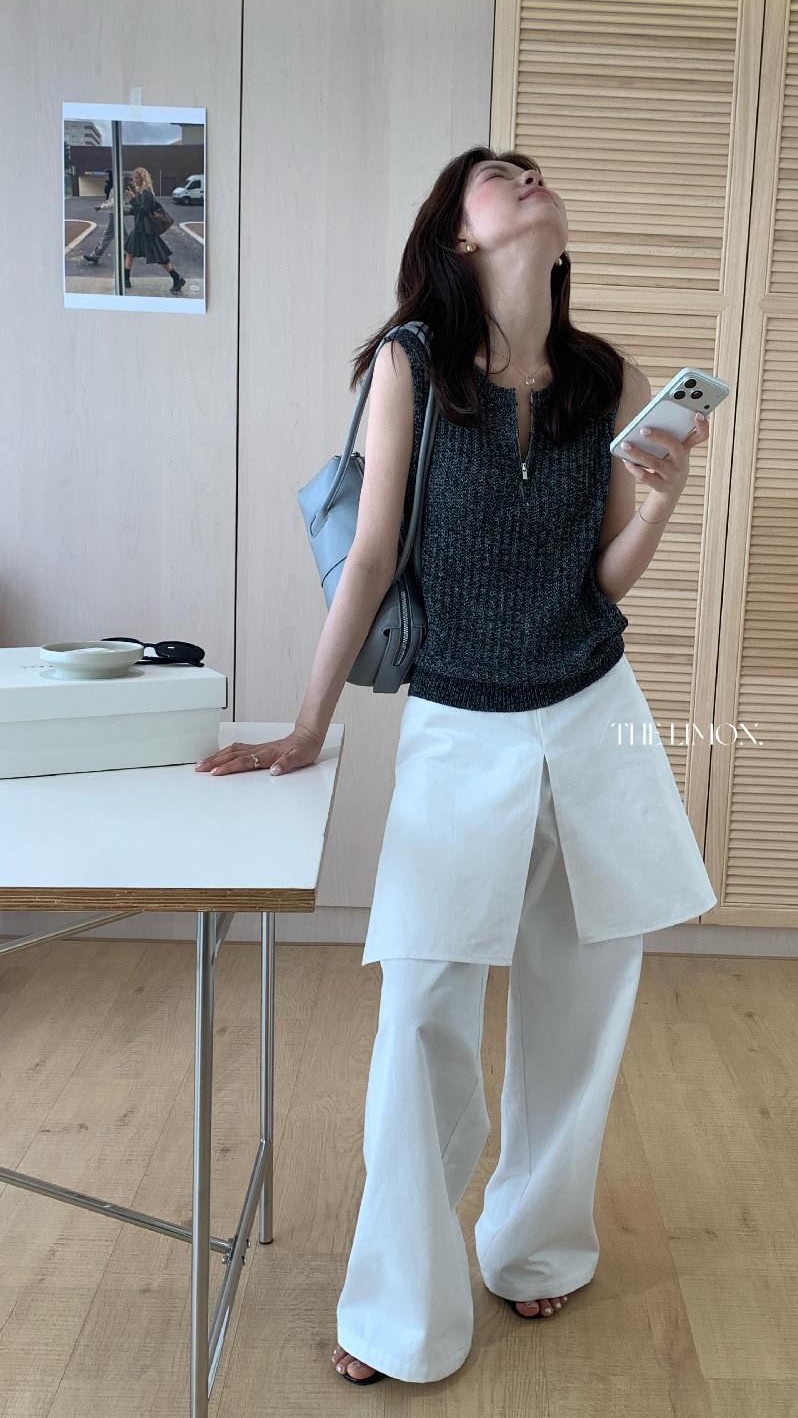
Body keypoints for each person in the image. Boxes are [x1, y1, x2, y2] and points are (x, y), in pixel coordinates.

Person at [194, 145, 718, 1386]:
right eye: (499, 175)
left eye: (536, 171)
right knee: (425, 1012)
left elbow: (602, 580)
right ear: (462, 234)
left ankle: (536, 1247)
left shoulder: (609, 379)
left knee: (581, 1003)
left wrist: (662, 497)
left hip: (591, 715)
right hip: (459, 727)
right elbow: (373, 556)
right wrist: (308, 723)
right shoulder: (413, 365)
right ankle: (399, 1309)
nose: (529, 179)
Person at [123, 165, 185, 293]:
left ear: (143, 178)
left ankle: (177, 278)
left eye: (137, 178)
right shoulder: (142, 192)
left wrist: (133, 198)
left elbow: (144, 211)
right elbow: (138, 210)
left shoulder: (147, 193)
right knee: (129, 251)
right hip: (139, 229)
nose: (134, 180)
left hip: (146, 231)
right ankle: (126, 279)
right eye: (134, 178)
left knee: (160, 257)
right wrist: (126, 210)